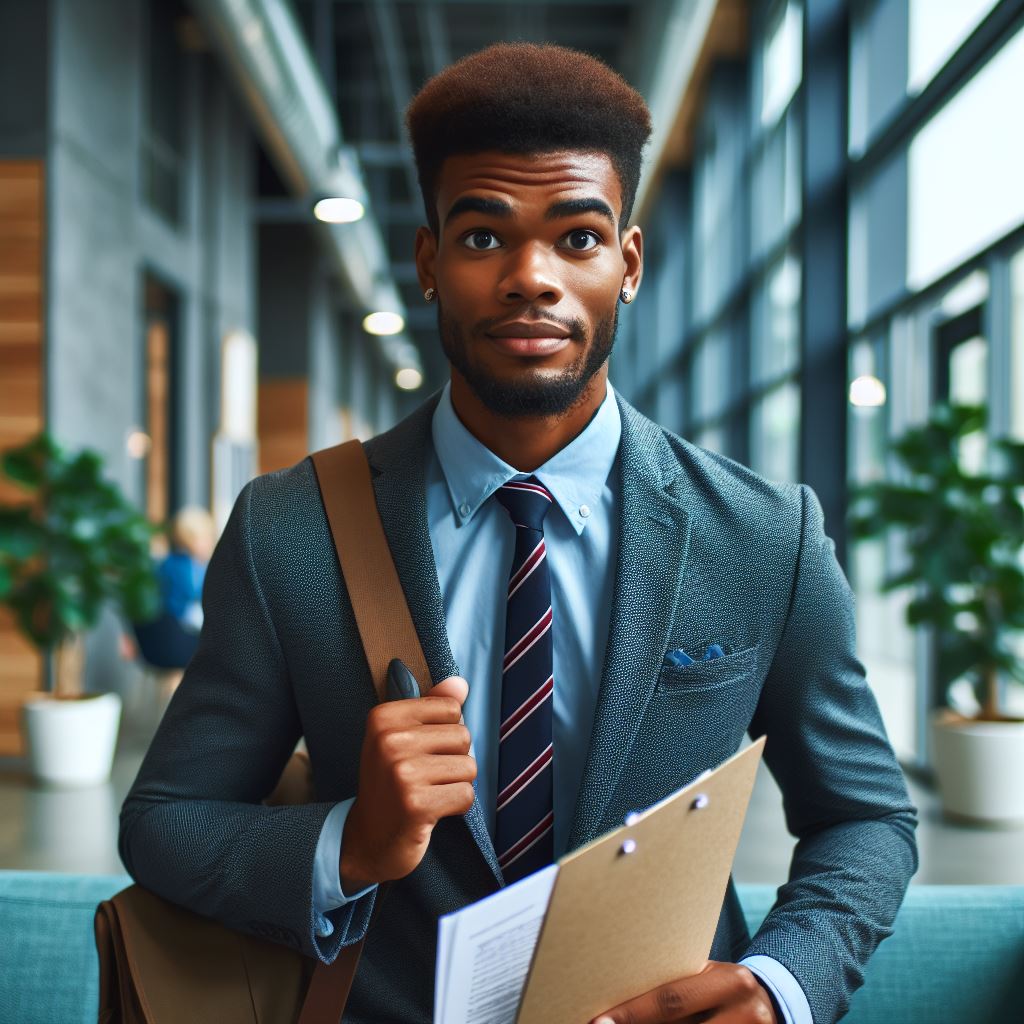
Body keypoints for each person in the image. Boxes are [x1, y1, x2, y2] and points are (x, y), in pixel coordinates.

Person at [119, 43, 917, 1024]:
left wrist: (779, 982)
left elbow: (867, 813)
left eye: (577, 238)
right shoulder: (292, 529)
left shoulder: (763, 536)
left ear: (626, 264)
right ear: (427, 263)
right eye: (484, 237)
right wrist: (349, 843)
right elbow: (163, 823)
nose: (531, 277)